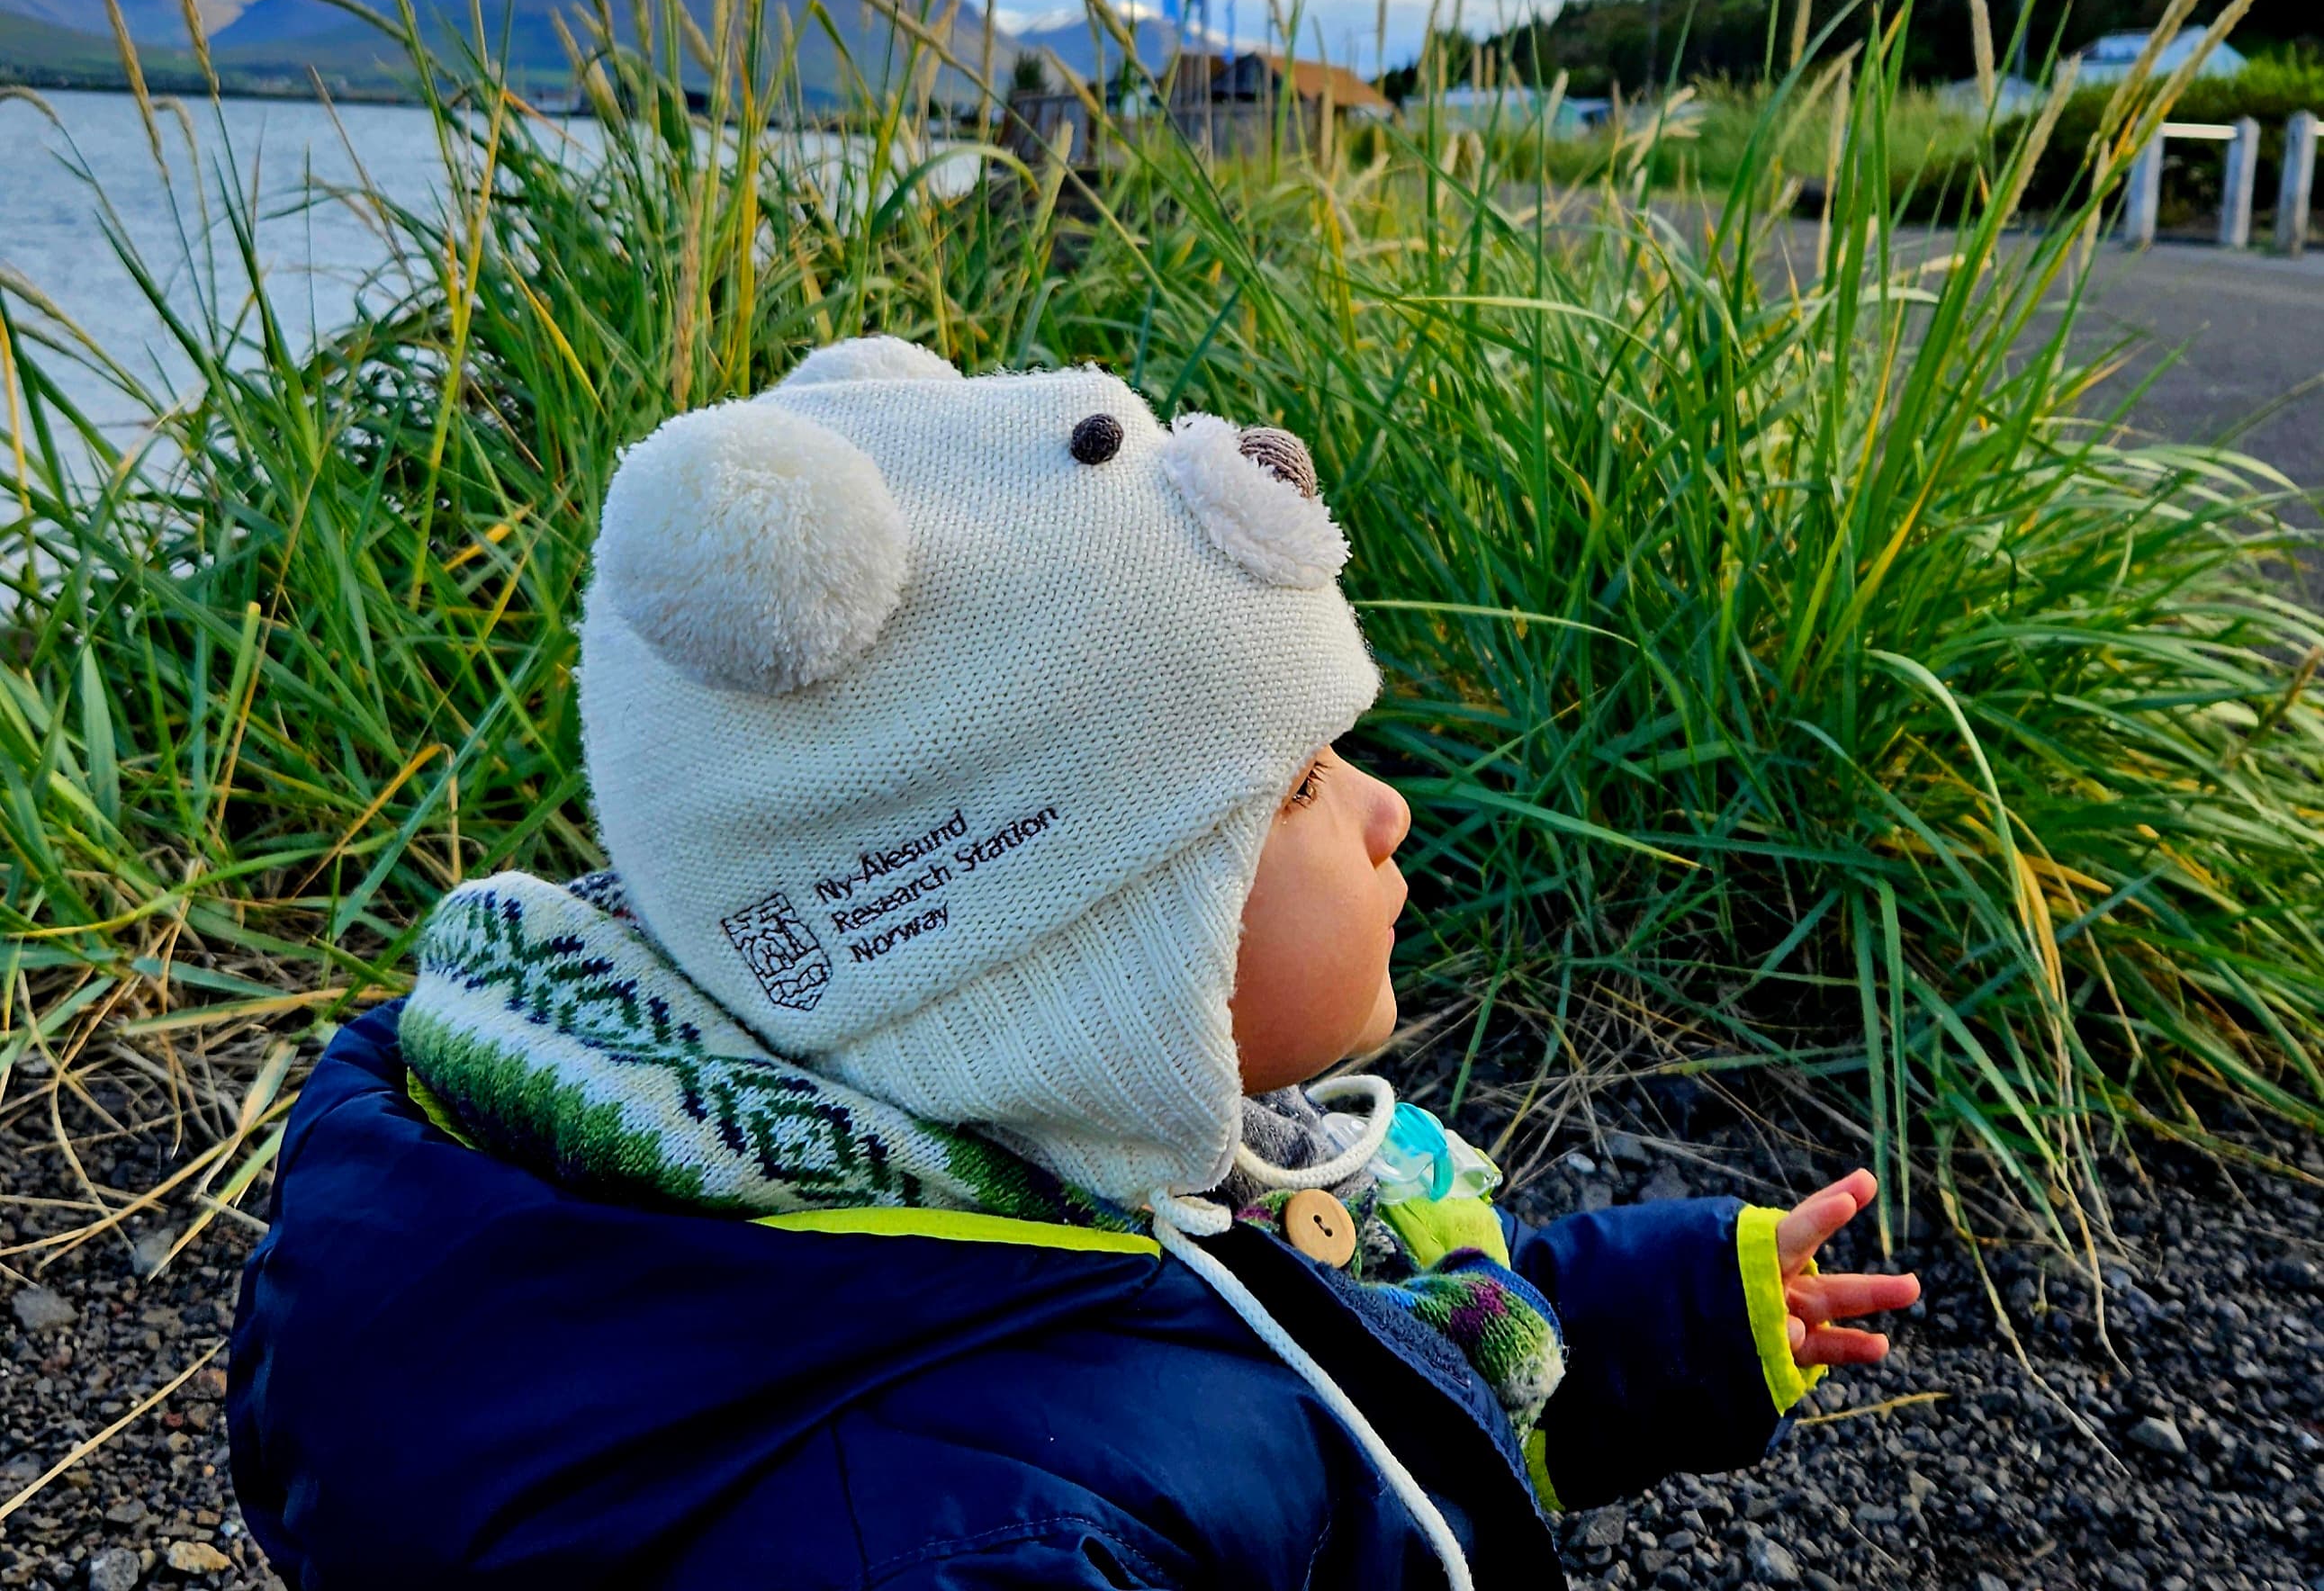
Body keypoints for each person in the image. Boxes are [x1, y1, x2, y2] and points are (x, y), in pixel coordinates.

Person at [229, 337, 1919, 1587]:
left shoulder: (1006, 1190)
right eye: (1308, 783)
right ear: (1083, 944)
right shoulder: (995, 1536)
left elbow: (1330, 1367)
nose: (1390, 815)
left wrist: (1669, 1322)